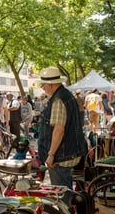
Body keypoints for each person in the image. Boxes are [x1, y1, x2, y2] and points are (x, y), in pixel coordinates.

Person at [37, 67, 87, 208]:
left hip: (62, 155)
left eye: (43, 84)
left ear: (51, 84)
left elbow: (58, 130)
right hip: (68, 152)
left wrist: (51, 154)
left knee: (62, 196)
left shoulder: (59, 99)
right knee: (65, 192)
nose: (42, 87)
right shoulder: (66, 95)